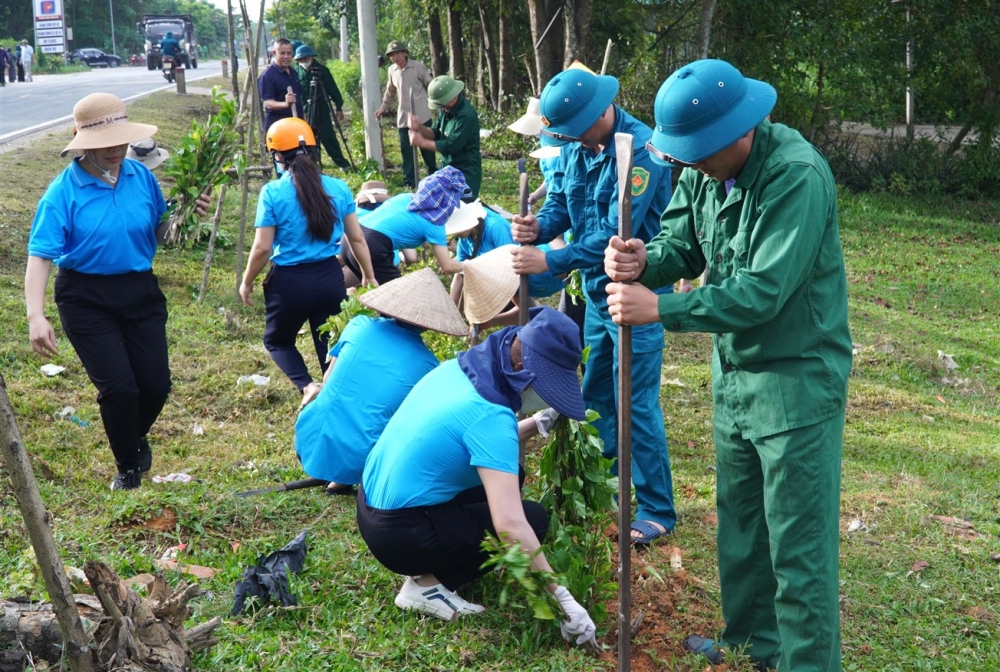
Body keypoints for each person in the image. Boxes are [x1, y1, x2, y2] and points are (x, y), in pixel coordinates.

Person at [603, 59, 851, 671]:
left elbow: (764, 293)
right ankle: (751, 646)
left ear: (739, 132)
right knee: (741, 528)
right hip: (736, 379)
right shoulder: (705, 170)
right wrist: (643, 260)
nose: (688, 166)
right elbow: (682, 243)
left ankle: (804, 664)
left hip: (795, 383)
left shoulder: (795, 176)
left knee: (797, 548)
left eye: (697, 155)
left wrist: (660, 306)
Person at [357, 306, 597, 650]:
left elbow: (470, 436)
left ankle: (434, 560)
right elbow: (510, 526)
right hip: (399, 536)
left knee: (510, 480)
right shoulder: (491, 416)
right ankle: (427, 586)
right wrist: (561, 597)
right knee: (531, 519)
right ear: (520, 369)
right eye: (547, 386)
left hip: (371, 502)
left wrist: (532, 424)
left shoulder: (464, 366)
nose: (547, 395)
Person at [510, 68, 676, 544]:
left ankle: (657, 509)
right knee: (600, 391)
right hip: (597, 294)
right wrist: (537, 228)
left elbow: (612, 233)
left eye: (580, 129)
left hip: (638, 296)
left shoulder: (641, 152)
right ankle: (608, 486)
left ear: (603, 110)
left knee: (635, 401)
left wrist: (551, 256)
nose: (575, 140)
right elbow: (562, 204)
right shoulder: (574, 147)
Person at [25, 93, 212, 490]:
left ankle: (130, 432)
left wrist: (183, 216)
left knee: (156, 384)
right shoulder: (63, 192)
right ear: (83, 142)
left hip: (139, 289)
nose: (115, 149)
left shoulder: (139, 176)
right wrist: (36, 316)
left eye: (121, 140)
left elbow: (160, 231)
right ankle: (127, 468)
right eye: (105, 143)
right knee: (119, 387)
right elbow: (40, 255)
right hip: (85, 297)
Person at [295, 268, 467, 494]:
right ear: (429, 324)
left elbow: (327, 378)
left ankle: (336, 472)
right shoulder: (427, 364)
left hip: (310, 438)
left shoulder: (359, 325)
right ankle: (344, 477)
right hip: (365, 462)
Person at [239, 118, 376, 393]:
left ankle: (306, 385)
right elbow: (357, 237)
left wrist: (247, 281)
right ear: (312, 150)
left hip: (289, 282)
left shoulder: (273, 192)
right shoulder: (339, 187)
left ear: (277, 155)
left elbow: (263, 248)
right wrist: (368, 275)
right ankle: (334, 392)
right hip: (330, 277)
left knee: (278, 341)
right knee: (329, 344)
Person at [340, 166, 466, 286]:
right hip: (372, 247)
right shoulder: (434, 224)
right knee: (397, 300)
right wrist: (469, 265)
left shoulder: (405, 198)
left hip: (349, 241)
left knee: (376, 296)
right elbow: (447, 266)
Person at [408, 75, 482, 198]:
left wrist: (421, 142)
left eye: (443, 105)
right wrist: (420, 127)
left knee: (462, 208)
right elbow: (435, 133)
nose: (442, 109)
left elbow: (451, 146)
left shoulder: (466, 115)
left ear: (453, 98)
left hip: (465, 172)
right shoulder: (446, 109)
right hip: (447, 169)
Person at [375, 41, 436, 188]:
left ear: (405, 53)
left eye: (397, 54)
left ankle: (434, 178)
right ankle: (410, 182)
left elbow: (430, 84)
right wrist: (383, 107)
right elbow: (390, 91)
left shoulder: (418, 66)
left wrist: (438, 101)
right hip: (404, 118)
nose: (395, 57)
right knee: (407, 152)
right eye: (392, 55)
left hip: (422, 115)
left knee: (427, 151)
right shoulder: (392, 71)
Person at [294, 44, 351, 172]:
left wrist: (338, 107)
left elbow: (333, 89)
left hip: (322, 111)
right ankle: (313, 165)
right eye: (300, 60)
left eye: (306, 58)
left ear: (311, 57)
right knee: (309, 140)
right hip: (306, 112)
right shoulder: (296, 71)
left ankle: (342, 164)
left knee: (329, 138)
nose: (303, 61)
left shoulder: (322, 70)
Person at [258, 39, 303, 132]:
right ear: (274, 53)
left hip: (296, 125)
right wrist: (285, 104)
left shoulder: (293, 72)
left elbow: (299, 100)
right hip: (278, 128)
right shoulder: (267, 76)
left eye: (289, 53)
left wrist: (305, 122)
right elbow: (269, 103)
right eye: (282, 53)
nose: (286, 56)